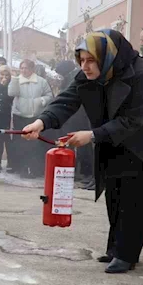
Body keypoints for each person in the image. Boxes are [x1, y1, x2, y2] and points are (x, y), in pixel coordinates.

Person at [22, 29, 143, 274]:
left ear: (107, 56)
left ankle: (127, 255)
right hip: (119, 134)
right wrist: (41, 122)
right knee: (114, 188)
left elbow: (133, 120)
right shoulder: (88, 74)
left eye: (91, 60)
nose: (85, 66)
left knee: (136, 193)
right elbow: (67, 100)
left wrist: (91, 135)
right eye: (81, 60)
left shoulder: (142, 74)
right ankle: (115, 249)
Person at [7, 59, 53, 178]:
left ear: (32, 69)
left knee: (35, 144)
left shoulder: (41, 81)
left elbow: (49, 95)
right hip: (19, 116)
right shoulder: (17, 80)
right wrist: (14, 79)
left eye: (26, 68)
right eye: (21, 68)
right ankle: (21, 168)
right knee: (20, 143)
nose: (23, 70)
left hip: (36, 117)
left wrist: (41, 101)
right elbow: (11, 93)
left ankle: (34, 169)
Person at [54, 60, 94, 190]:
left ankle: (90, 175)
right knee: (80, 146)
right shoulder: (70, 77)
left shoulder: (75, 77)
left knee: (86, 148)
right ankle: (85, 174)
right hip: (75, 116)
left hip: (81, 116)